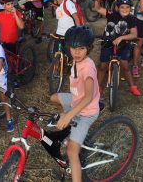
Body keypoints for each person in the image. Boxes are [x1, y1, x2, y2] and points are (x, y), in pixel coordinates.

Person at [50, 26, 99, 182]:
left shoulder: (88, 68)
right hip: (76, 99)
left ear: (89, 48)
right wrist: (67, 114)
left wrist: (69, 114)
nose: (77, 52)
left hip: (87, 111)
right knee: (54, 98)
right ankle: (68, 120)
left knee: (72, 152)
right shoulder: (76, 61)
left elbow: (89, 97)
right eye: (73, 48)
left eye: (81, 48)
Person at [94, 0, 141, 96]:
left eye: (127, 7)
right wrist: (97, 0)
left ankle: (132, 87)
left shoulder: (132, 19)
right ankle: (97, 87)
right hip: (107, 42)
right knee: (103, 67)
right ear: (118, 8)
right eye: (122, 7)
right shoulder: (111, 14)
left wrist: (121, 37)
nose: (125, 9)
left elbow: (134, 34)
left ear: (130, 8)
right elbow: (97, 8)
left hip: (123, 44)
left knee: (125, 66)